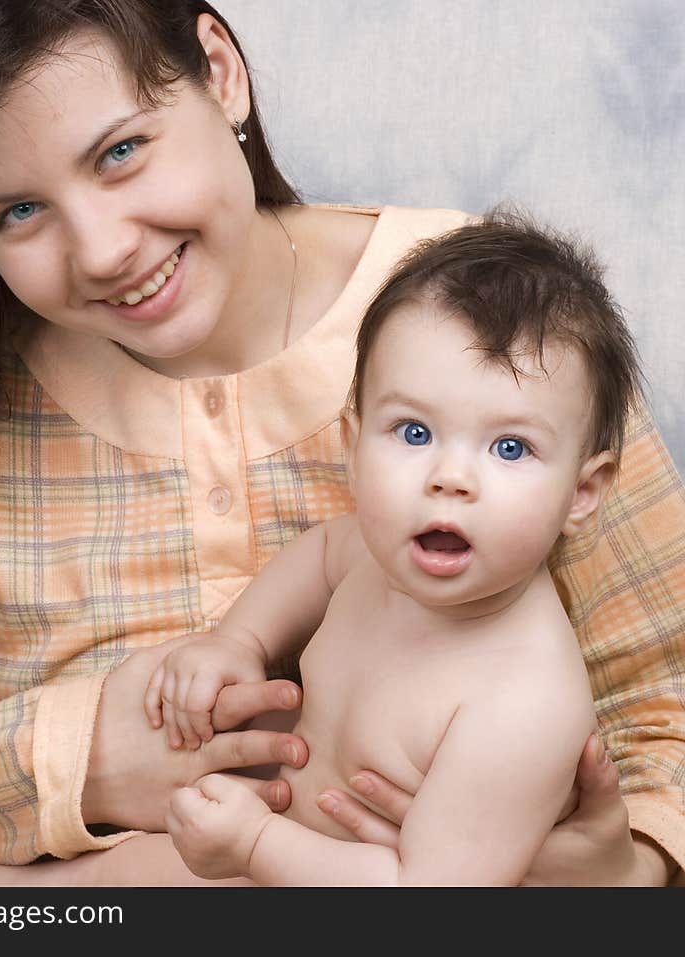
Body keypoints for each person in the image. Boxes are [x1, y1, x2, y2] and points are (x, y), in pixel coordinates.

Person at [0, 0, 682, 887]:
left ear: (219, 71)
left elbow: (664, 717)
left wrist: (621, 876)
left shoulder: (491, 331)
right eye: (18, 211)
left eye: (120, 152)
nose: (104, 251)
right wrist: (77, 760)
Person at [158, 215, 635, 885]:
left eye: (509, 447)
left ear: (582, 492)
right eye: (413, 431)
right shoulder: (374, 557)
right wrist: (237, 640)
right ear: (351, 448)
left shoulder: (523, 700)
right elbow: (322, 553)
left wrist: (255, 842)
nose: (449, 477)